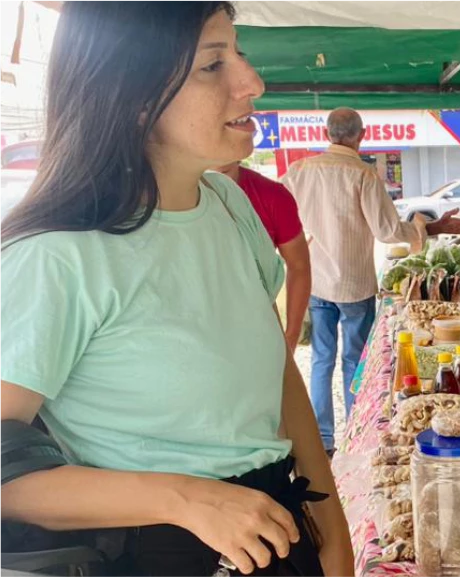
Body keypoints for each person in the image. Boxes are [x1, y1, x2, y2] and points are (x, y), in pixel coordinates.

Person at [0, 2, 353, 576]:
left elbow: (275, 374)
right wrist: (183, 498)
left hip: (278, 534)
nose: (252, 82)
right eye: (212, 65)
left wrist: (334, 534)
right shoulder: (57, 255)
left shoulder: (229, 204)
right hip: (159, 554)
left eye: (237, 53)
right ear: (133, 97)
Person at [283, 108, 460, 454]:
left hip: (315, 279)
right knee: (354, 361)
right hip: (353, 283)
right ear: (361, 135)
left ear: (328, 134)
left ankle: (323, 439)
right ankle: (357, 434)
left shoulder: (299, 171)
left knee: (321, 359)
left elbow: (283, 217)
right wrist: (422, 227)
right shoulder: (362, 175)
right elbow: (388, 231)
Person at [219, 162, 311, 354]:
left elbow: (299, 265)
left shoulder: (272, 195)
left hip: (258, 332)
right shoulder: (164, 196)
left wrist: (291, 335)